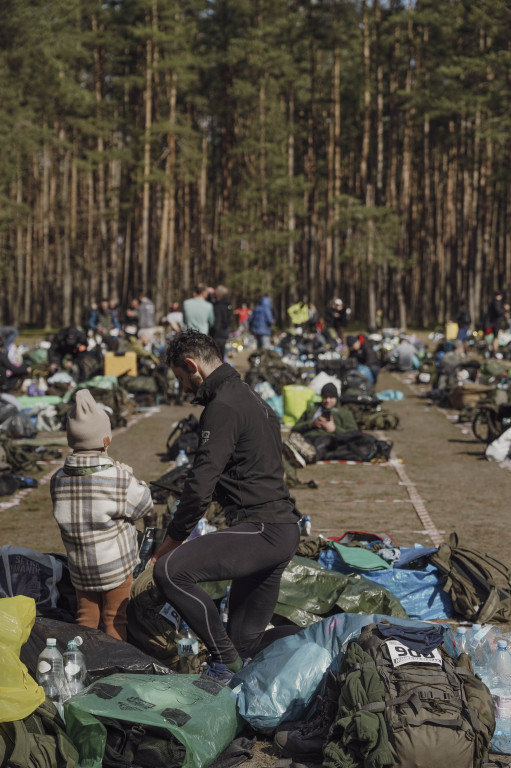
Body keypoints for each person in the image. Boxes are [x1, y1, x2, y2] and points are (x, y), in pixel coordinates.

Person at [151, 330, 301, 683]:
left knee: (170, 572)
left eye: (181, 378)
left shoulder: (222, 407)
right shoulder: (252, 398)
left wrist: (168, 545)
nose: (184, 388)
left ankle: (223, 664)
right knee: (243, 643)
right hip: (281, 529)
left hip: (262, 530)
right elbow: (248, 470)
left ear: (192, 366)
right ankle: (329, 639)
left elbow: (200, 490)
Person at [50, 389, 153, 641]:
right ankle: (115, 667)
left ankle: (81, 663)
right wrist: (129, 475)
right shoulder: (116, 478)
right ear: (105, 439)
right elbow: (145, 504)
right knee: (115, 618)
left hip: (80, 566)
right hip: (114, 566)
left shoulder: (57, 479)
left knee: (85, 618)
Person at [291, 383, 358, 443]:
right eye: (325, 397)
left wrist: (335, 429)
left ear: (336, 398)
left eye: (331, 397)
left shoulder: (344, 413)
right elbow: (294, 428)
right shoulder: (312, 410)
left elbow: (355, 435)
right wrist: (311, 424)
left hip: (329, 442)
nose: (327, 400)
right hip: (307, 439)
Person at [211, 285, 233, 360]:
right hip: (222, 334)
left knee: (217, 356)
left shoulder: (217, 306)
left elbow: (226, 320)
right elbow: (229, 320)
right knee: (220, 356)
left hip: (217, 334)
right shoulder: (227, 305)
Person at [486, 291, 506, 356]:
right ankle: (494, 352)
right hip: (496, 322)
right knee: (496, 337)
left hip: (493, 322)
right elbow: (499, 311)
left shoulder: (493, 302)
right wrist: (504, 309)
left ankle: (494, 352)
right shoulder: (496, 302)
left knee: (495, 337)